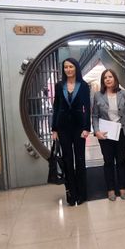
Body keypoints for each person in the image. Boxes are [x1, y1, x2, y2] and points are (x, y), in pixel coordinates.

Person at [51, 58, 91, 206]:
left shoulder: (84, 86)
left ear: (76, 68)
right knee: (68, 161)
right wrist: (54, 129)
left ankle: (82, 194)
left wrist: (87, 128)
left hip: (79, 127)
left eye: (71, 67)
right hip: (63, 128)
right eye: (66, 67)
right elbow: (56, 107)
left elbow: (87, 107)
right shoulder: (59, 85)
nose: (68, 69)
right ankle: (71, 194)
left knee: (80, 160)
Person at [92, 69, 125, 201]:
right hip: (105, 133)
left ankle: (122, 188)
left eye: (110, 77)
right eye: (105, 78)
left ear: (115, 79)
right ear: (103, 81)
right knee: (108, 161)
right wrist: (97, 131)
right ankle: (110, 189)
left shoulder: (124, 94)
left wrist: (124, 124)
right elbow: (95, 115)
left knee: (121, 160)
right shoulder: (98, 95)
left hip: (122, 132)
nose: (108, 79)